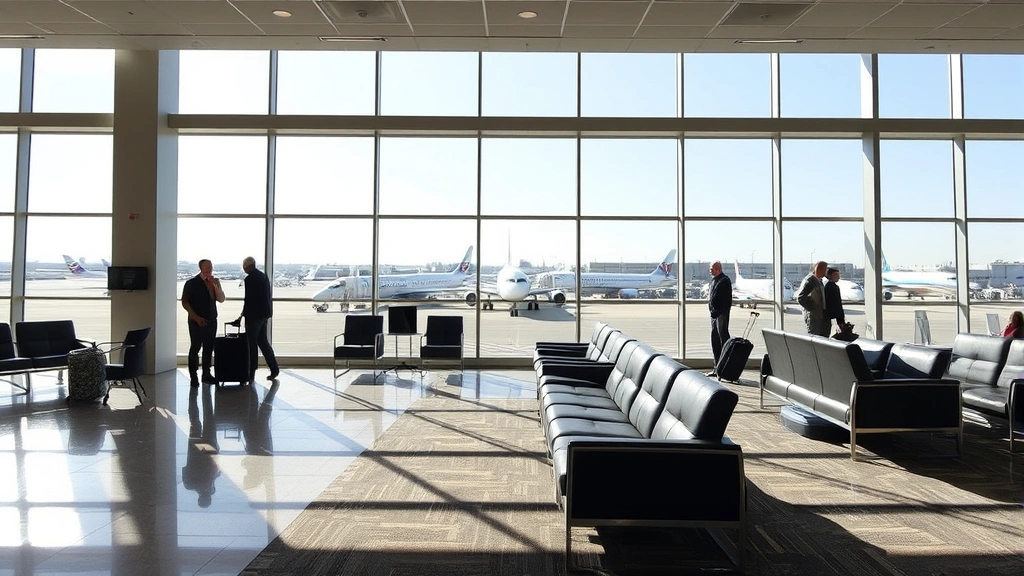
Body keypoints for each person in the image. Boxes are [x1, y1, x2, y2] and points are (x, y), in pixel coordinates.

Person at [234, 256, 280, 382]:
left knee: (251, 344)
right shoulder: (263, 276)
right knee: (263, 342)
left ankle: (251, 372)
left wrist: (243, 314)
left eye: (244, 266)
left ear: (248, 266)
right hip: (264, 314)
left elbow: (249, 299)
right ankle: (274, 368)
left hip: (254, 316)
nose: (243, 268)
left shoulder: (249, 279)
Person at [181, 259, 225, 386]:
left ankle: (206, 374)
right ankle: (193, 376)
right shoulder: (192, 283)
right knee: (195, 347)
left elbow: (221, 299)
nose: (209, 269)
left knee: (208, 348)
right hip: (196, 321)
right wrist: (196, 317)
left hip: (211, 320)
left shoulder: (215, 281)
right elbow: (185, 302)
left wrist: (215, 285)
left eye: (211, 266)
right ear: (201, 268)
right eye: (207, 267)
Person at [707, 261, 733, 376]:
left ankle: (724, 369)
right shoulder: (715, 281)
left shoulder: (724, 281)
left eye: (711, 268)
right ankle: (717, 367)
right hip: (714, 315)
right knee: (715, 341)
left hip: (720, 315)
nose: (710, 270)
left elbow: (724, 300)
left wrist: (717, 311)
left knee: (723, 340)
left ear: (718, 268)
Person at [797, 260, 830, 337]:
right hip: (814, 317)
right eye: (825, 269)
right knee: (815, 338)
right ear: (819, 269)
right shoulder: (810, 281)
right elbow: (801, 297)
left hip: (820, 316)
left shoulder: (819, 280)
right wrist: (812, 307)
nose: (827, 271)